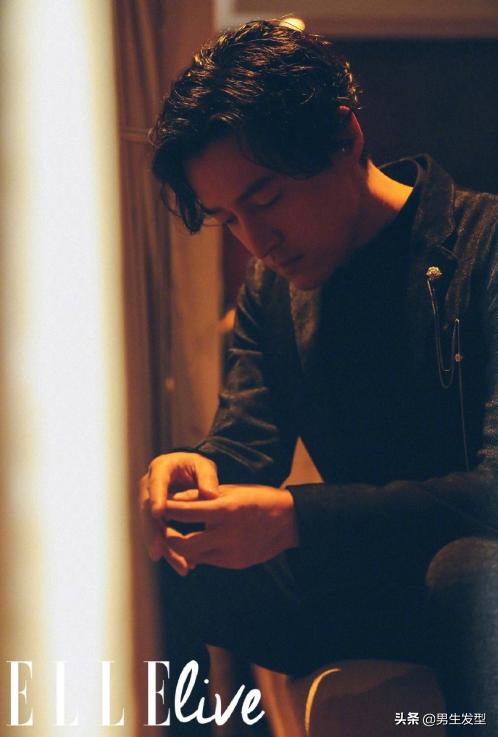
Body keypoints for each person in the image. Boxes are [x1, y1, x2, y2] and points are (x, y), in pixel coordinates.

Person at [141, 18, 498, 733]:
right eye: (228, 218)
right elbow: (245, 445)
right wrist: (195, 474)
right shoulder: (271, 290)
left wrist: (299, 518)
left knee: (467, 574)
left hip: (468, 565)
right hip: (370, 575)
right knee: (177, 552)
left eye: (266, 199)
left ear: (345, 135)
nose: (256, 241)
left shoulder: (480, 247)